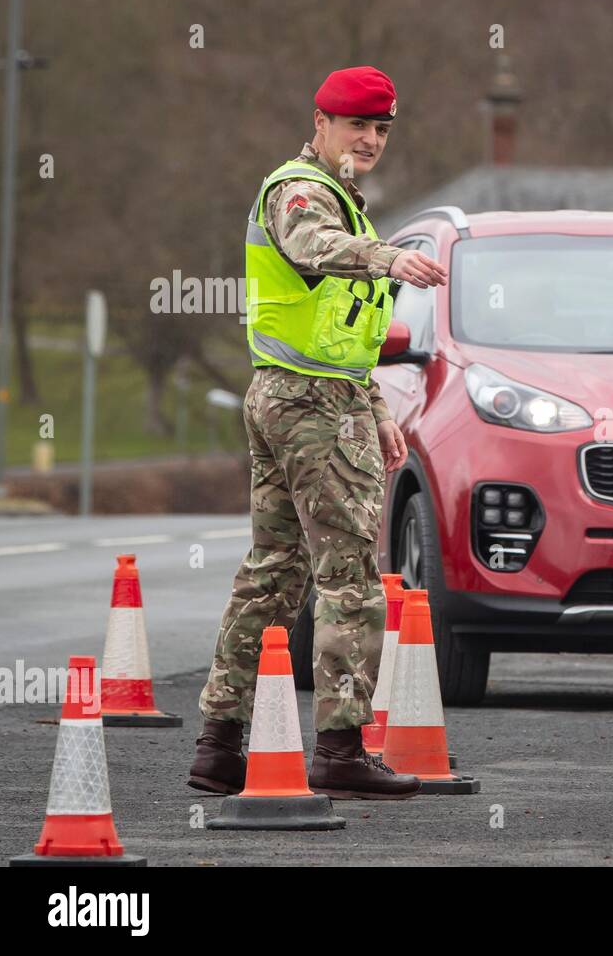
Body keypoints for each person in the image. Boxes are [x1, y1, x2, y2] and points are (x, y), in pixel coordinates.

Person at [188, 66, 446, 799]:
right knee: (349, 576)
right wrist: (389, 257)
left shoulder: (345, 204)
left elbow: (334, 334)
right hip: (310, 410)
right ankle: (340, 747)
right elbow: (308, 243)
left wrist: (376, 406)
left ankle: (217, 746)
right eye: (357, 125)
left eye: (381, 129)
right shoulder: (303, 192)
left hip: (300, 396)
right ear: (322, 122)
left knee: (274, 572)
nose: (369, 139)